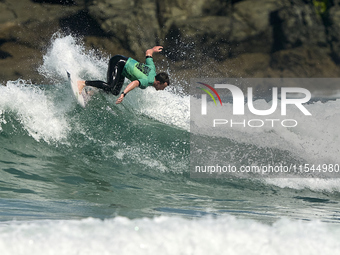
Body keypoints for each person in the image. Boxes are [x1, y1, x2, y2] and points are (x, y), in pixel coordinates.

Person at [77, 46, 170, 104]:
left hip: (123, 67)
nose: (162, 89)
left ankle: (91, 92)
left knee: (115, 91)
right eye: (163, 87)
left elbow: (148, 52)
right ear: (158, 82)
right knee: (110, 86)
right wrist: (124, 94)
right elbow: (135, 82)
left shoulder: (152, 69)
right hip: (118, 62)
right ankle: (83, 83)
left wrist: (154, 49)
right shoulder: (148, 81)